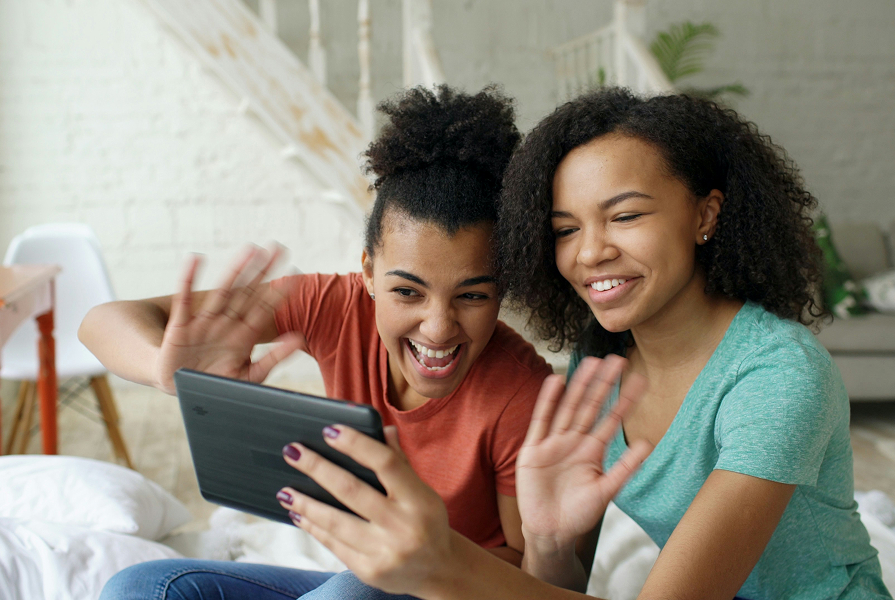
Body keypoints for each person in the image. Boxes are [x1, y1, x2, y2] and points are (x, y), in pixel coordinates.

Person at [270, 88, 893, 599]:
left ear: (705, 215)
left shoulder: (778, 374)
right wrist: (546, 541)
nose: (591, 252)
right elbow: (558, 587)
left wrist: (444, 564)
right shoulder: (597, 377)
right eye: (566, 229)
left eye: (624, 216)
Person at [86, 85, 558, 600]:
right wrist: (164, 370)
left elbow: (528, 572)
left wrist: (425, 559)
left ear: (501, 291)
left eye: (472, 295)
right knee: (142, 586)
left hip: (447, 590)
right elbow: (102, 320)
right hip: (360, 582)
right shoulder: (332, 305)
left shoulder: (521, 391)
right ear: (368, 274)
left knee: (351, 592)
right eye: (407, 291)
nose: (439, 327)